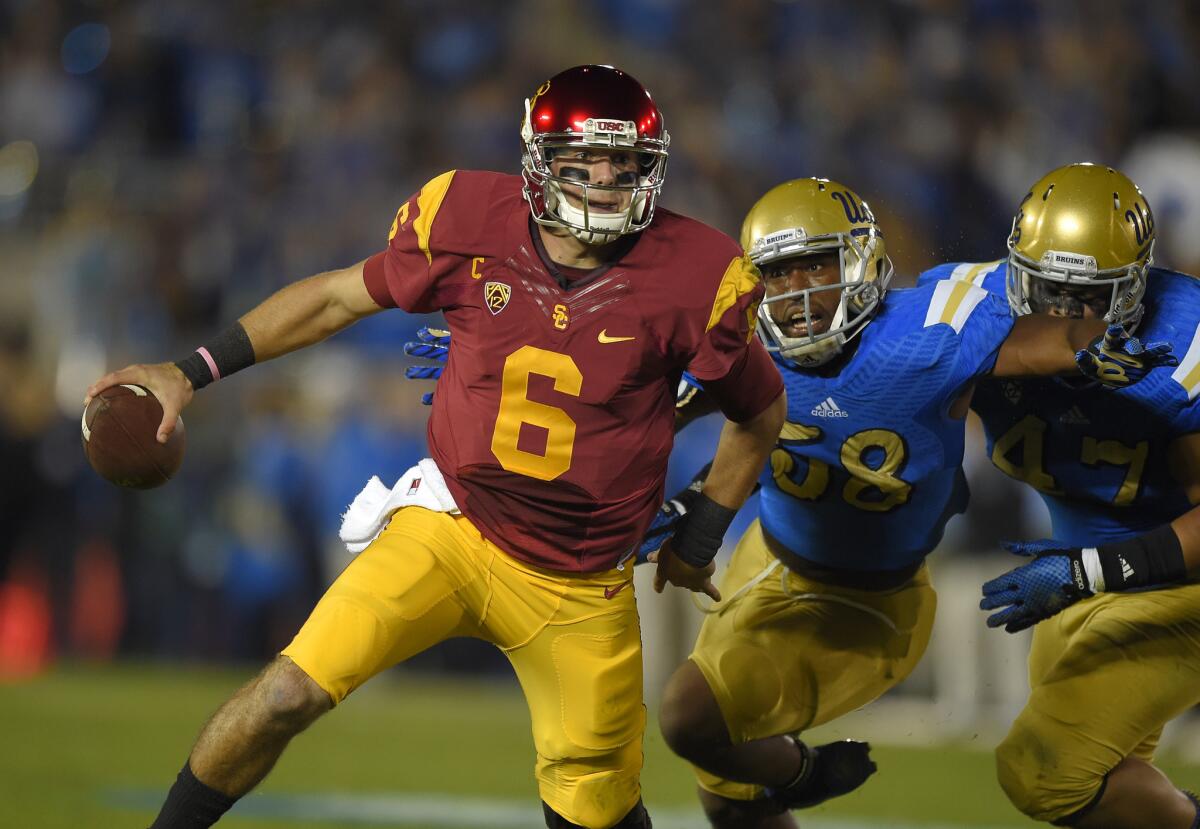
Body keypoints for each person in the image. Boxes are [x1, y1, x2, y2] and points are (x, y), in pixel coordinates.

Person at [84, 64, 786, 829]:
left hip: (578, 587)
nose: (606, 182)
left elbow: (760, 409)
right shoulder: (466, 215)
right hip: (450, 527)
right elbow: (333, 298)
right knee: (284, 691)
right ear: (538, 160)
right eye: (583, 161)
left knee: (596, 816)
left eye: (626, 163)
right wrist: (190, 371)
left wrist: (705, 528)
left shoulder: (697, 272)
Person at [644, 177, 1174, 829]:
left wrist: (1125, 344)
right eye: (780, 274)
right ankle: (793, 774)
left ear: (863, 264)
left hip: (863, 603)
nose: (799, 292)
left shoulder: (930, 331)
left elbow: (1071, 323)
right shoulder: (737, 339)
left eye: (817, 265)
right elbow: (640, 420)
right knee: (726, 791)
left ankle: (805, 773)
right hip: (764, 557)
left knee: (690, 718)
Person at [920, 162, 1200, 828]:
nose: (1065, 313)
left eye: (1091, 297)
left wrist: (1088, 570)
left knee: (1043, 770)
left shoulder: (1184, 349)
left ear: (1134, 287)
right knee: (1099, 796)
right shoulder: (967, 307)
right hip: (1076, 578)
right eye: (1048, 289)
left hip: (1176, 586)